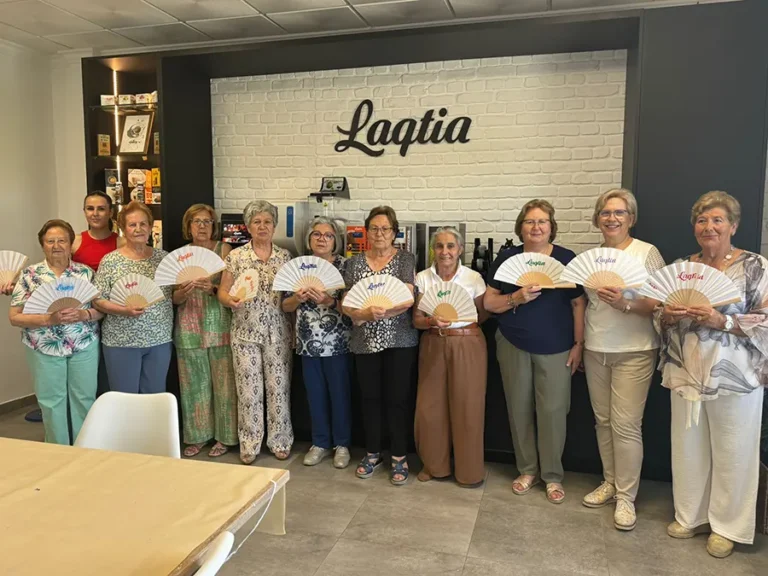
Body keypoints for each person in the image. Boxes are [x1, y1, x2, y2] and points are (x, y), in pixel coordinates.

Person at [658, 191, 767, 558]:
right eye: (703, 221)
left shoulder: (755, 266)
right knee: (687, 446)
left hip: (736, 375)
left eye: (718, 220)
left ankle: (728, 526)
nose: (709, 227)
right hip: (687, 368)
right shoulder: (682, 266)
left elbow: (766, 320)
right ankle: (690, 514)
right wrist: (668, 316)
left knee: (734, 448)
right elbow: (661, 314)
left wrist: (725, 320)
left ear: (733, 225)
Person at [484, 199, 586, 504]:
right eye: (530, 222)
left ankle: (552, 475)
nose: (536, 227)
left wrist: (579, 345)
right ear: (521, 227)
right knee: (518, 408)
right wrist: (515, 297)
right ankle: (527, 470)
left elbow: (578, 303)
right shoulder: (507, 258)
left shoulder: (567, 259)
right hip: (513, 342)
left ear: (551, 227)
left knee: (554, 412)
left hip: (557, 347)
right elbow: (489, 303)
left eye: (542, 221)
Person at [579, 189, 666, 530]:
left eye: (619, 213)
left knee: (626, 425)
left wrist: (625, 303)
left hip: (635, 349)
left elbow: (659, 301)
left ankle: (627, 498)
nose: (611, 218)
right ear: (598, 218)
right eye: (605, 212)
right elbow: (587, 304)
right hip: (597, 346)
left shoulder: (646, 253)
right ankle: (611, 482)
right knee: (603, 421)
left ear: (631, 218)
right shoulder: (593, 256)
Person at [342, 206, 419, 485]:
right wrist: (363, 314)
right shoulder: (354, 263)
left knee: (398, 399)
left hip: (400, 339)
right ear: (366, 232)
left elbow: (408, 297)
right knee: (370, 398)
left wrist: (384, 312)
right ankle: (372, 452)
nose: (379, 233)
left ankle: (399, 455)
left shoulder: (405, 260)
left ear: (394, 232)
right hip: (364, 339)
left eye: (385, 228)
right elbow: (348, 302)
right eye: (374, 228)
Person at [8, 219, 103, 444]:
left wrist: (84, 315)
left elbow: (101, 310)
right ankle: (58, 452)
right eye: (50, 241)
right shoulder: (30, 275)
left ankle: (85, 449)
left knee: (85, 399)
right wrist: (47, 319)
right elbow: (15, 317)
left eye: (62, 240)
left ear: (71, 244)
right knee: (51, 403)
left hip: (84, 344)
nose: (56, 245)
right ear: (42, 245)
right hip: (42, 346)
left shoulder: (85, 273)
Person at [218, 200, 293, 464]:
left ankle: (280, 439)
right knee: (248, 391)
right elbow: (222, 292)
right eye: (257, 222)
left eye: (267, 222)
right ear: (248, 226)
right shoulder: (236, 257)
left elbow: (290, 295)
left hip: (278, 333)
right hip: (244, 332)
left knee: (279, 388)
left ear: (274, 226)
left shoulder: (285, 257)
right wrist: (230, 300)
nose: (262, 226)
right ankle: (250, 443)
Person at [413, 226, 489, 487]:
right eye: (440, 246)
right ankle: (435, 465)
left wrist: (463, 326)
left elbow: (483, 314)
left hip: (467, 344)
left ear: (459, 250)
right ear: (433, 249)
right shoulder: (422, 278)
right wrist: (432, 320)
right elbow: (417, 320)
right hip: (434, 341)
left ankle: (469, 471)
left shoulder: (473, 279)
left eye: (450, 246)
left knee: (468, 408)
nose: (445, 251)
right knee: (430, 407)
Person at [282, 217, 352, 469]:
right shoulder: (298, 266)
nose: (322, 239)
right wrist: (298, 299)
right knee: (315, 394)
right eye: (317, 234)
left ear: (336, 240)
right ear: (309, 239)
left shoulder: (346, 266)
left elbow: (353, 307)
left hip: (338, 342)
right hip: (307, 342)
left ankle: (342, 444)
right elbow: (285, 304)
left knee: (339, 394)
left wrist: (329, 301)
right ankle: (320, 442)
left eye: (328, 235)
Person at [172, 204, 237, 459]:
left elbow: (233, 291)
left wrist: (211, 288)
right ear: (188, 226)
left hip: (220, 325)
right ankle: (197, 436)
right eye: (196, 221)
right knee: (193, 386)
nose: (201, 226)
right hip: (188, 328)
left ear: (214, 226)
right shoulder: (179, 256)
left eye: (207, 222)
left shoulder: (225, 251)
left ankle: (225, 437)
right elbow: (173, 299)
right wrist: (183, 292)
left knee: (224, 386)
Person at [93, 202, 173, 394]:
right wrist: (123, 310)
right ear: (123, 229)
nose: (138, 229)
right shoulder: (111, 261)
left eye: (143, 224)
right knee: (124, 399)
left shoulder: (164, 258)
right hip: (121, 341)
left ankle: (151, 427)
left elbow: (173, 297)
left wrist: (188, 288)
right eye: (132, 225)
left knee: (155, 397)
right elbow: (97, 299)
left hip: (159, 339)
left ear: (150, 226)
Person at [72, 191, 125, 272]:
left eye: (101, 209)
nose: (95, 213)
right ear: (84, 212)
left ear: (111, 212)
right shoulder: (74, 242)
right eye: (90, 209)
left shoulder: (123, 244)